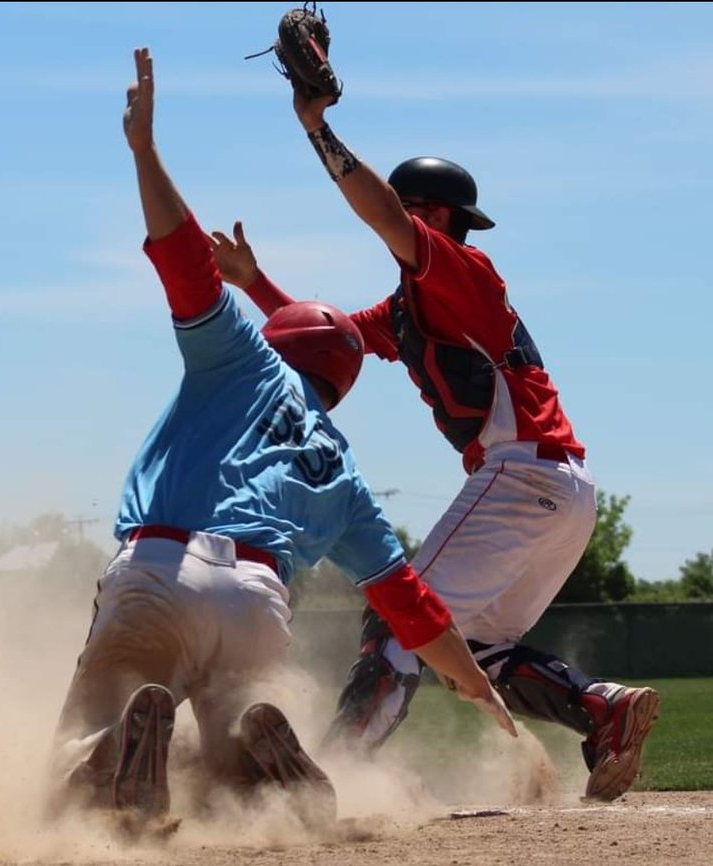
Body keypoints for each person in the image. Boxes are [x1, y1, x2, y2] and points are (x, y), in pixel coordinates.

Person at [48, 47, 517, 833]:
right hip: (260, 603)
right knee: (225, 784)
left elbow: (182, 258)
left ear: (278, 339)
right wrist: (475, 682)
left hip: (162, 567)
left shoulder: (242, 353)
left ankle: (107, 752)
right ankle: (257, 762)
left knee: (73, 751)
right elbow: (412, 605)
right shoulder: (343, 471)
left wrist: (145, 151)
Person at [207, 87, 659, 802]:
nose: (394, 214)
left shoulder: (458, 269)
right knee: (471, 649)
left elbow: (381, 213)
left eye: (405, 205)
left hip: (521, 476)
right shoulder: (410, 306)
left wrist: (318, 129)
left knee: (398, 612)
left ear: (434, 216)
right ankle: (601, 707)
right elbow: (331, 340)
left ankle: (334, 774)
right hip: (557, 487)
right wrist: (254, 282)